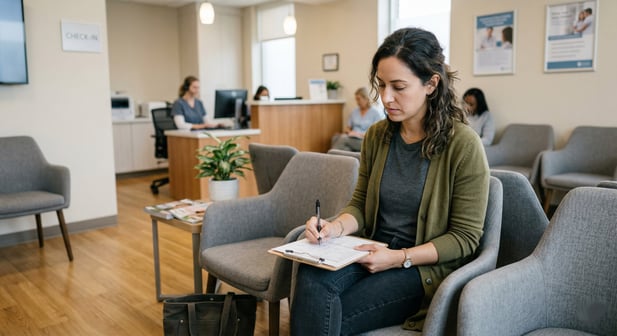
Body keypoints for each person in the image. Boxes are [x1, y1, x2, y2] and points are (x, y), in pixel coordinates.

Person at [290, 27, 490, 335]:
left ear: (431, 84)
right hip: (370, 248)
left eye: (398, 86)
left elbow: (464, 238)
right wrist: (334, 228)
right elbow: (360, 205)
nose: (385, 98)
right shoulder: (377, 136)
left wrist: (397, 258)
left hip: (418, 267)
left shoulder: (463, 145)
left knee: (331, 313)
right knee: (310, 275)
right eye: (381, 85)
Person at [331, 87, 384, 152]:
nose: (357, 102)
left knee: (342, 139)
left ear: (366, 98)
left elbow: (376, 133)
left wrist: (359, 135)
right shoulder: (354, 112)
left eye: (359, 99)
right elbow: (347, 128)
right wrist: (350, 132)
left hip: (365, 140)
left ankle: (328, 158)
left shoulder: (375, 113)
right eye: (356, 99)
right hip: (353, 138)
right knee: (338, 139)